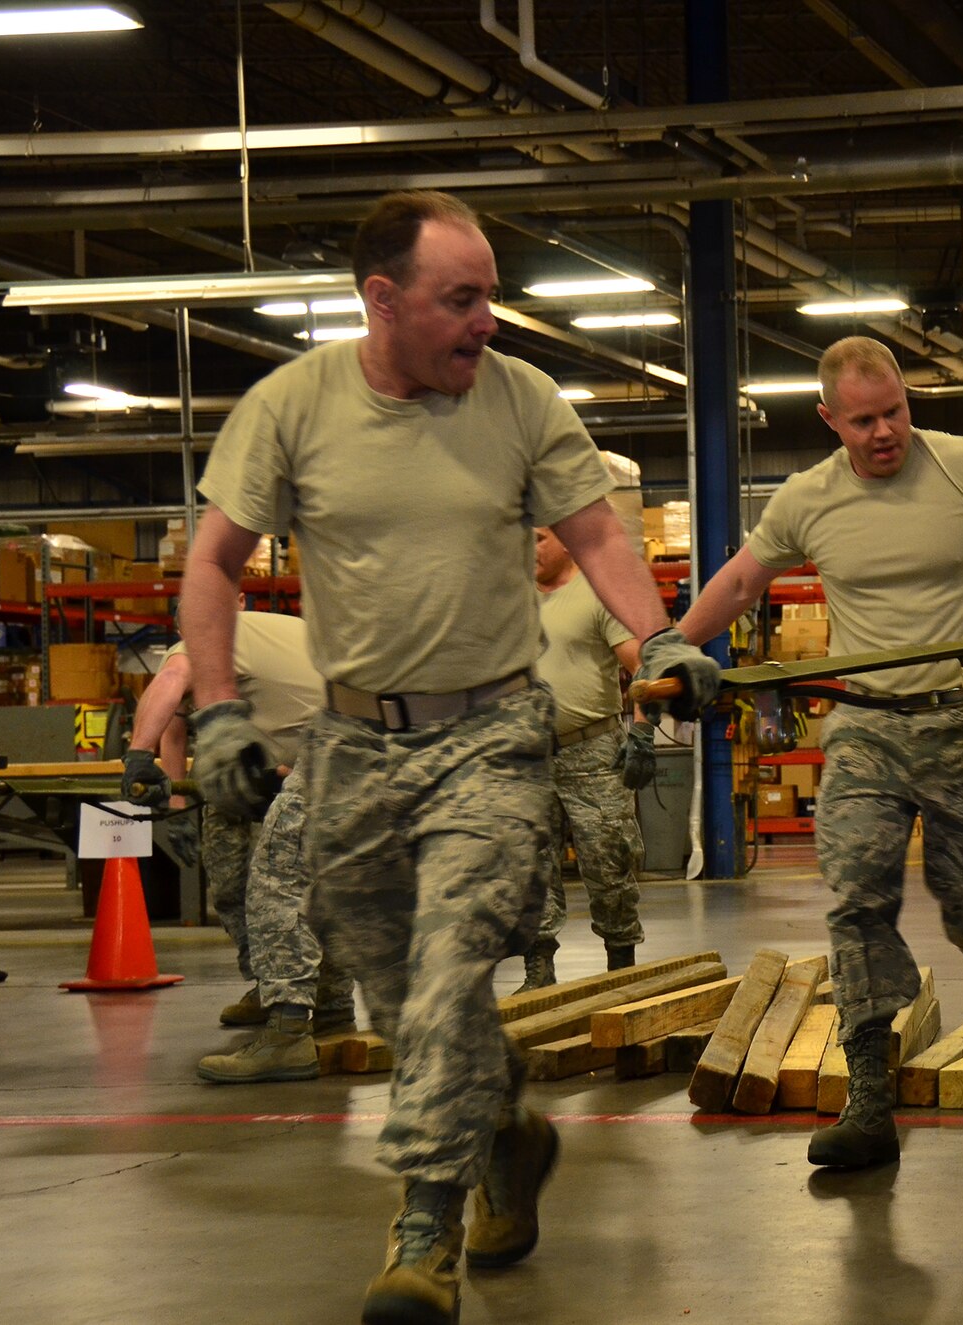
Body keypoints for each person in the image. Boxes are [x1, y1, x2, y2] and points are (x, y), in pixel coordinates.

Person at [180, 189, 716, 1325]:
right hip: (352, 748)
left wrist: (657, 633)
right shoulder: (290, 406)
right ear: (381, 300)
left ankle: (424, 1231)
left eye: (492, 295)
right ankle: (508, 1128)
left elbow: (598, 534)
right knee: (400, 994)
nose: (487, 322)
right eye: (460, 299)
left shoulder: (520, 401)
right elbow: (215, 559)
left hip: (493, 737)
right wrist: (217, 707)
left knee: (446, 969)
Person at [675, 335, 963, 1170]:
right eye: (863, 420)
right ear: (829, 420)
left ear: (908, 400)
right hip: (865, 726)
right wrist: (671, 648)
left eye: (894, 411)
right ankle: (869, 1099)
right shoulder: (807, 498)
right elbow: (743, 581)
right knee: (855, 901)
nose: (884, 431)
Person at [121, 609, 357, 1082]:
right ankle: (318, 1001)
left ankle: (289, 1031)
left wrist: (135, 755)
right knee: (249, 872)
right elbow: (178, 723)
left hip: (341, 752)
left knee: (275, 880)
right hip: (344, 743)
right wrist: (177, 799)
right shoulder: (259, 634)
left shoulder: (210, 635)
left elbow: (172, 678)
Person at [518, 524, 649, 990]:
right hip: (527, 757)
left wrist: (644, 733)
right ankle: (538, 971)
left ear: (565, 539)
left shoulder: (596, 595)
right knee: (530, 867)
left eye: (537, 537)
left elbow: (642, 667)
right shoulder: (510, 599)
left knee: (608, 861)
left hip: (593, 752)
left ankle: (622, 967)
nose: (527, 547)